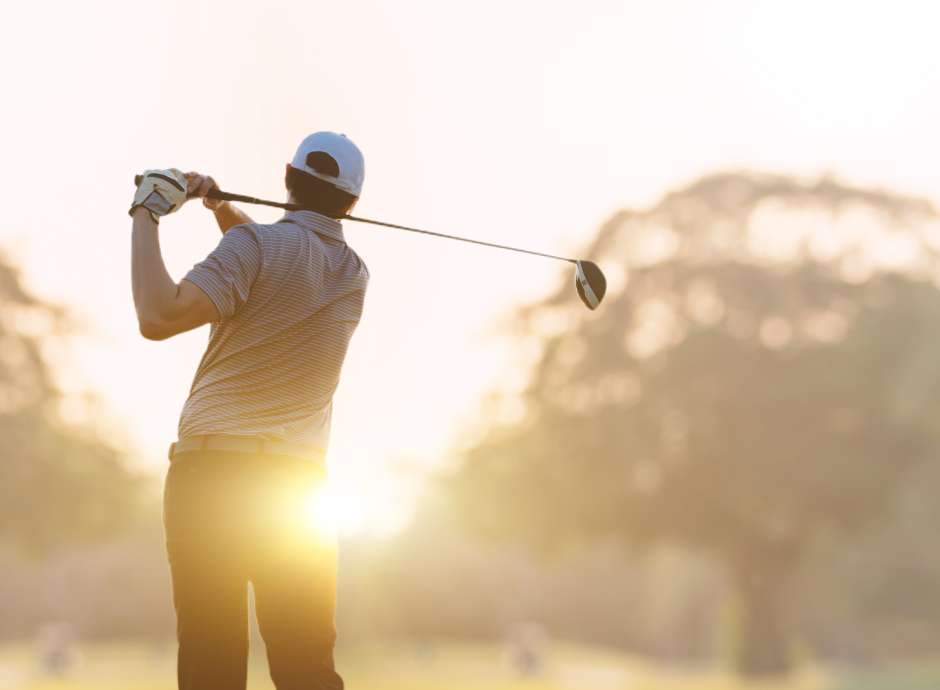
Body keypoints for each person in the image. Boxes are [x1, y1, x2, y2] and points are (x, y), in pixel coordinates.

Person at [128, 132, 369, 690]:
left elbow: (157, 316)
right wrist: (221, 208)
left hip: (212, 481)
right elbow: (276, 259)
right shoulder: (353, 274)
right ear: (352, 204)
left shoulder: (254, 250)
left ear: (286, 177)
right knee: (307, 667)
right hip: (297, 494)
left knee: (212, 664)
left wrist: (146, 212)